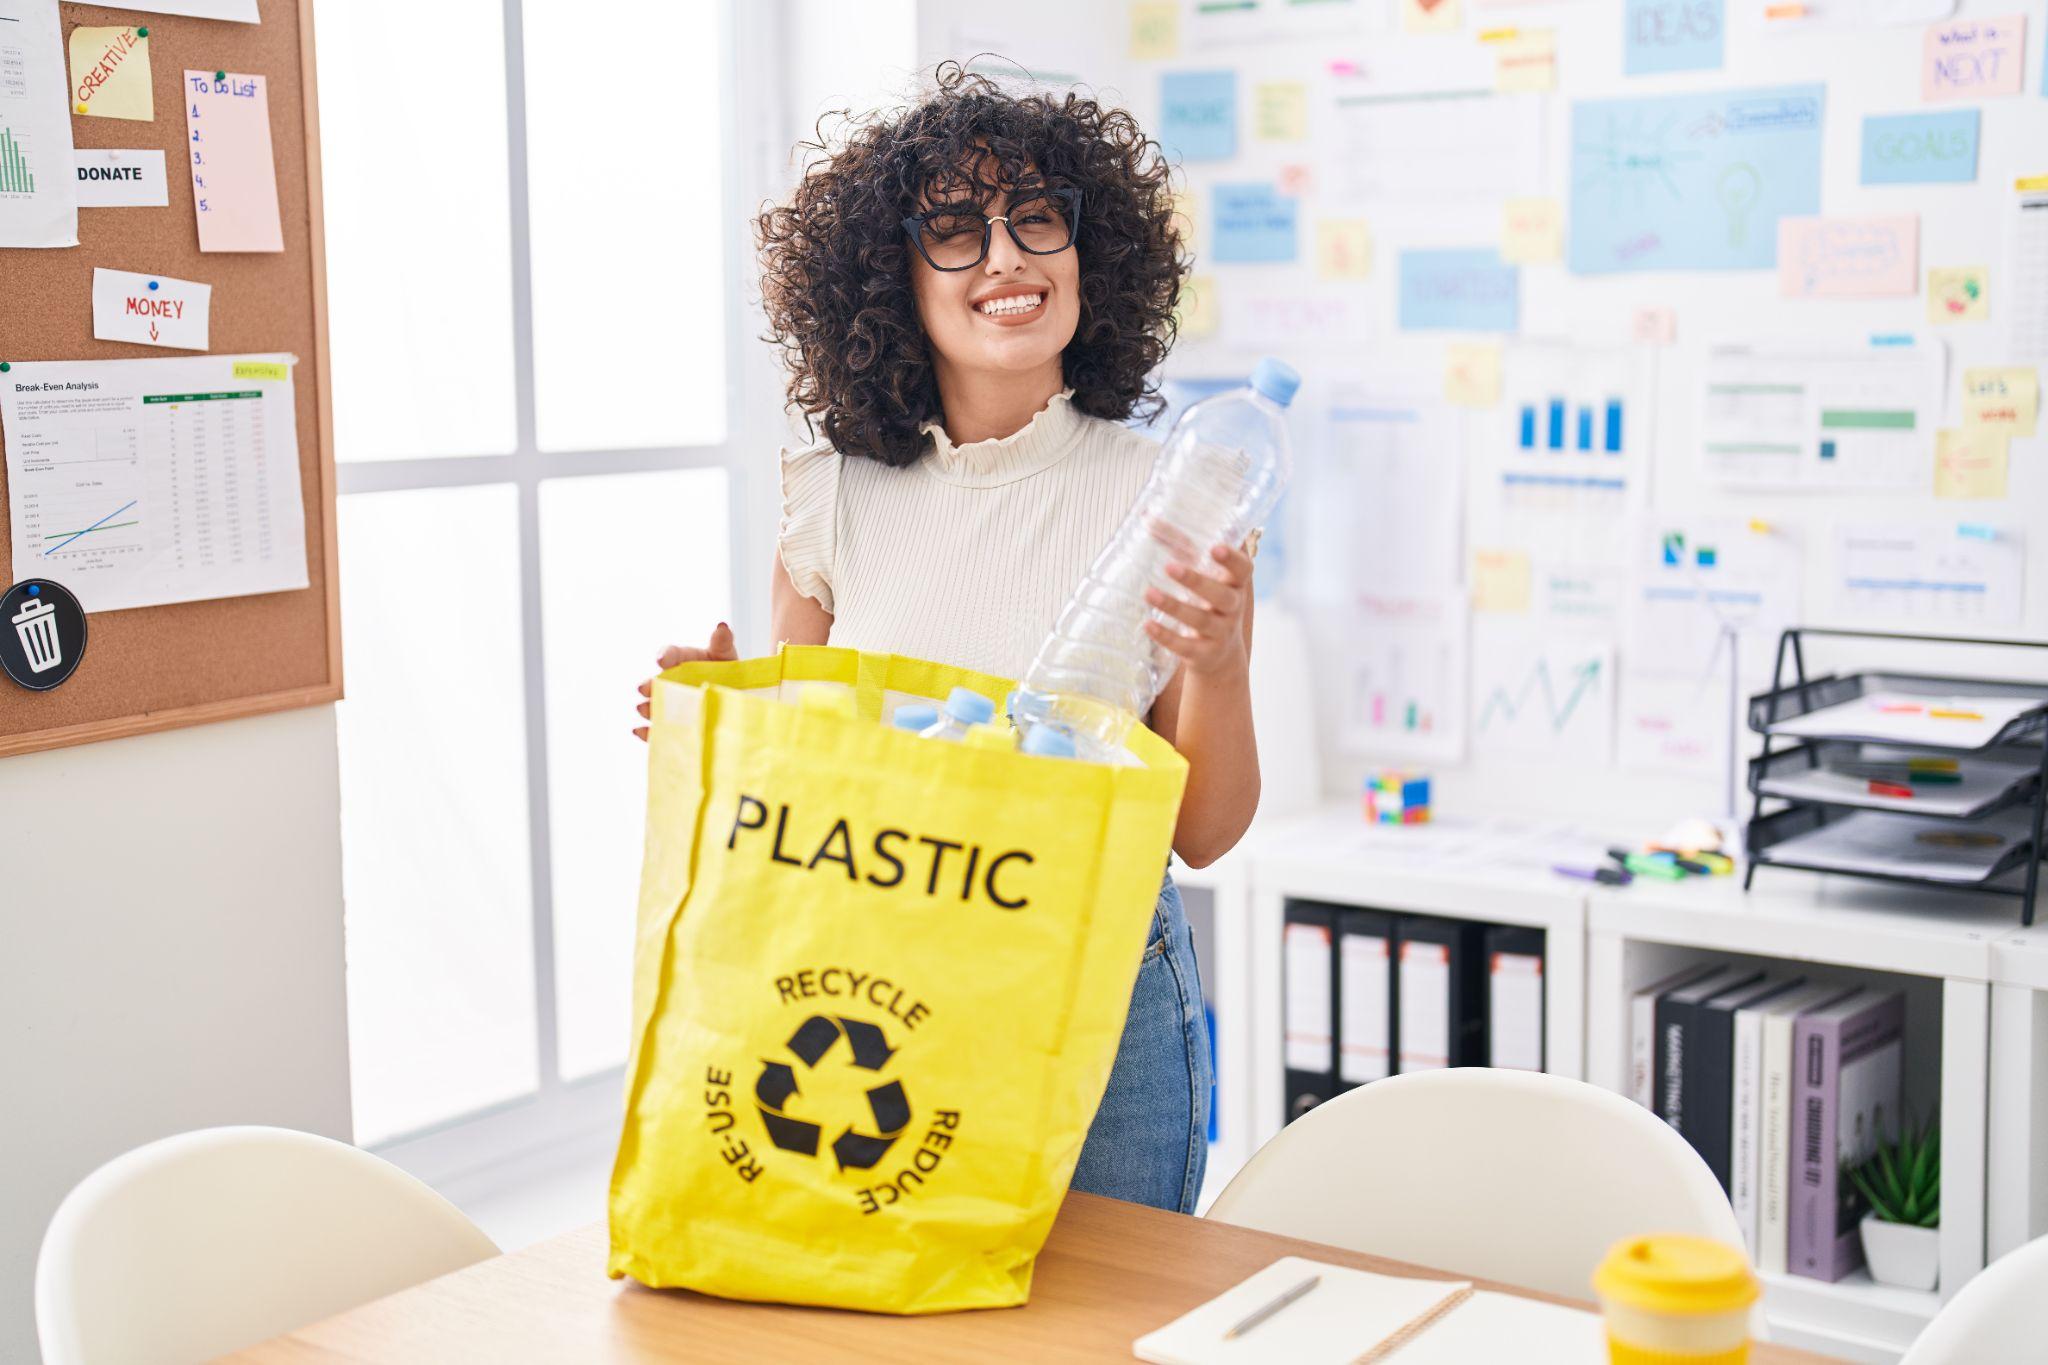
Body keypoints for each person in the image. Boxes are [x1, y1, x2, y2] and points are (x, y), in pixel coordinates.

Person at [635, 63, 1260, 1215]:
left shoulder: (1179, 495)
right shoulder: (829, 498)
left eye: (1036, 221)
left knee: (1108, 1324)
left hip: (1100, 991)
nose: (1009, 259)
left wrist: (1216, 664)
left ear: (1091, 255)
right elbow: (806, 785)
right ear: (890, 281)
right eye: (955, 234)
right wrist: (724, 709)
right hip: (878, 985)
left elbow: (1205, 835)